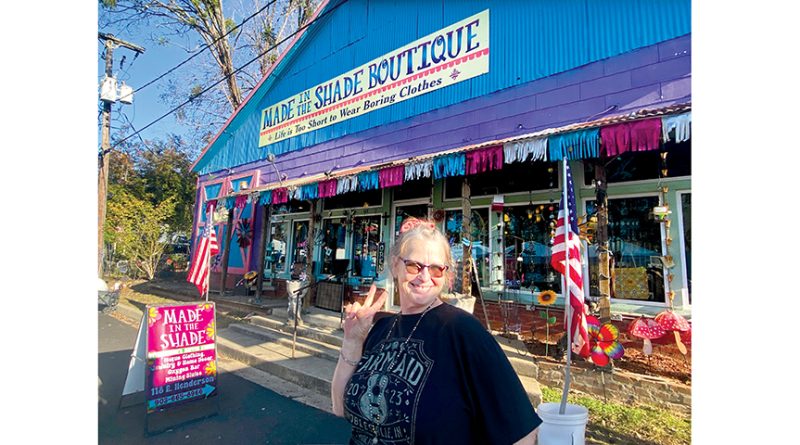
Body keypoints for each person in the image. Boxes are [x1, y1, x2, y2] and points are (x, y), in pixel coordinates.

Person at [332, 218, 541, 445]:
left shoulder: (462, 331)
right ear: (395, 265)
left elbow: (522, 433)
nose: (424, 276)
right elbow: (339, 408)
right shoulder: (381, 329)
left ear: (446, 275)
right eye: (414, 265)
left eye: (436, 269)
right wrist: (352, 341)